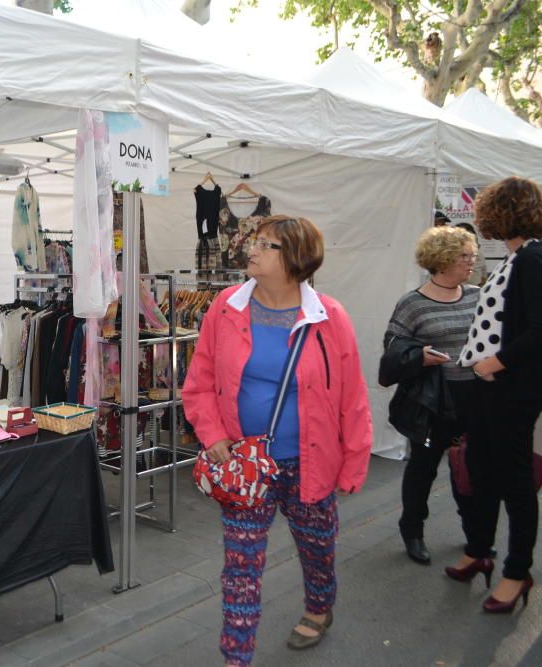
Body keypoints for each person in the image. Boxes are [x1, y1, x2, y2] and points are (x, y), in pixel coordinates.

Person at [182, 215, 372, 666]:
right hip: (246, 466)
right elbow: (200, 381)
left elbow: (353, 396)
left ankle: (319, 607)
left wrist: (354, 463)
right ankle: (236, 657)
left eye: (267, 245)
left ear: (297, 259)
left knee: (317, 550)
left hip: (312, 464)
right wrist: (211, 436)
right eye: (256, 241)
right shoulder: (226, 306)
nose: (253, 248)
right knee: (241, 570)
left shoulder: (328, 317)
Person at [447, 176, 542, 613]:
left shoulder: (533, 258)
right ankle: (479, 549)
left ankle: (517, 571)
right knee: (482, 470)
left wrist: (496, 363)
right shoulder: (517, 257)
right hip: (490, 387)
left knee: (515, 481)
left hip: (511, 388)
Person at [379, 226, 479, 565]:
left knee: (470, 468)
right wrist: (419, 357)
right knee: (423, 468)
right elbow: (392, 350)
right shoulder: (413, 304)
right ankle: (413, 531)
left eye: (472, 254)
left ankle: (475, 534)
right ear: (443, 259)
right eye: (465, 255)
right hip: (433, 401)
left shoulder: (478, 295)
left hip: (476, 398)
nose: (472, 261)